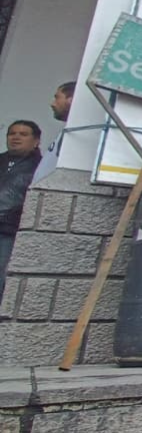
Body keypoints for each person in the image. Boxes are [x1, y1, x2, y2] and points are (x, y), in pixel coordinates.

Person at [0, 121, 43, 296]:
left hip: (9, 230)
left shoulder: (40, 166)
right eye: (12, 133)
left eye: (23, 134)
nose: (16, 137)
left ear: (36, 141)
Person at [31, 81, 73, 185]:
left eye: (57, 98)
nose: (52, 104)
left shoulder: (75, 133)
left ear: (70, 100)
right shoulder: (68, 130)